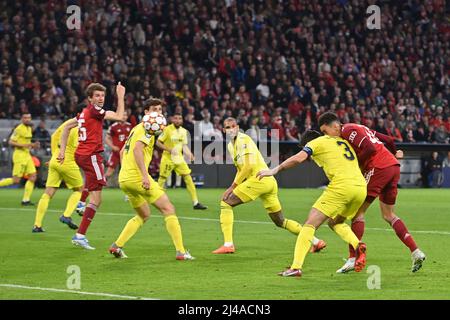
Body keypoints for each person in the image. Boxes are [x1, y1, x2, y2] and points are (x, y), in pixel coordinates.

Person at [317, 112, 426, 273]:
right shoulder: (360, 128)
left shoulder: (347, 130)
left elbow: (369, 148)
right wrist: (395, 154)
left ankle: (353, 258)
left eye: (325, 132)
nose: (326, 135)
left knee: (357, 214)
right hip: (393, 167)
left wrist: (356, 166)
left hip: (378, 168)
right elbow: (388, 140)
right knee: (388, 215)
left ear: (335, 126)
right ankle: (416, 251)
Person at [257, 127, 368, 277]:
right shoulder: (341, 141)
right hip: (360, 187)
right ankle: (357, 245)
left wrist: (274, 170)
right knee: (335, 222)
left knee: (309, 225)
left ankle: (296, 267)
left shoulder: (316, 142)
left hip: (342, 186)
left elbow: (298, 158)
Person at [212, 117, 326, 254]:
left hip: (259, 179)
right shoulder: (231, 145)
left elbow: (248, 166)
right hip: (268, 182)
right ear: (224, 130)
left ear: (237, 127)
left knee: (226, 203)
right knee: (280, 221)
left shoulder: (243, 140)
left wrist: (232, 187)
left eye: (233, 126)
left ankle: (228, 244)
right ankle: (315, 241)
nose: (231, 130)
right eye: (228, 127)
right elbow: (240, 169)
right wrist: (235, 184)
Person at [109, 98, 194, 260]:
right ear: (146, 112)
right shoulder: (147, 128)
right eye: (154, 109)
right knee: (168, 209)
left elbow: (122, 153)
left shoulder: (136, 129)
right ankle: (181, 252)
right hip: (137, 178)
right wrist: (143, 175)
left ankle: (116, 246)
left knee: (144, 215)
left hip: (125, 179)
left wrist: (126, 172)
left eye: (160, 110)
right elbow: (137, 150)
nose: (158, 113)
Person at [57, 82, 125, 250]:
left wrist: (62, 151)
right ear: (89, 98)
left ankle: (81, 204)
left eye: (102, 95)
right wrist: (121, 96)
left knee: (94, 190)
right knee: (96, 198)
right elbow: (118, 116)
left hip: (82, 155)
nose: (100, 98)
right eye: (97, 95)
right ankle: (80, 235)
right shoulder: (94, 110)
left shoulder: (84, 112)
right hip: (91, 156)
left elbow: (65, 127)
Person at [32, 119, 83, 232]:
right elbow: (78, 148)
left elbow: (54, 136)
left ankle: (37, 225)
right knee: (79, 190)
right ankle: (66, 215)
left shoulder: (68, 123)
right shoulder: (79, 126)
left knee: (48, 192)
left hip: (55, 160)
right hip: (68, 161)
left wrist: (54, 154)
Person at [156, 113, 207, 210]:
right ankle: (155, 199)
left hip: (179, 159)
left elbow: (184, 146)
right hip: (168, 159)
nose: (178, 120)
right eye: (176, 118)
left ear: (182, 120)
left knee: (188, 178)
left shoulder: (184, 131)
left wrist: (189, 154)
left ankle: (196, 202)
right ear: (172, 119)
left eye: (180, 118)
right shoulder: (167, 129)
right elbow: (158, 142)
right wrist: (169, 149)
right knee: (162, 180)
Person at [0, 113, 40, 205]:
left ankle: (25, 200)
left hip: (27, 155)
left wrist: (33, 146)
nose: (27, 119)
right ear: (22, 119)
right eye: (25, 118)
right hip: (19, 156)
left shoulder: (29, 128)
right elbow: (11, 142)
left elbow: (27, 142)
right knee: (16, 180)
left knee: (33, 176)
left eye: (29, 118)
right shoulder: (18, 129)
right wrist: (28, 145)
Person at [105, 110, 132, 183]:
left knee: (127, 170)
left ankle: (127, 186)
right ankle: (101, 183)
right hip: (116, 153)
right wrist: (113, 146)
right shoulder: (113, 126)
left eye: (125, 115)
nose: (124, 117)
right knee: (110, 171)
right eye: (122, 115)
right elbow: (107, 139)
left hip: (126, 153)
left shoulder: (130, 126)